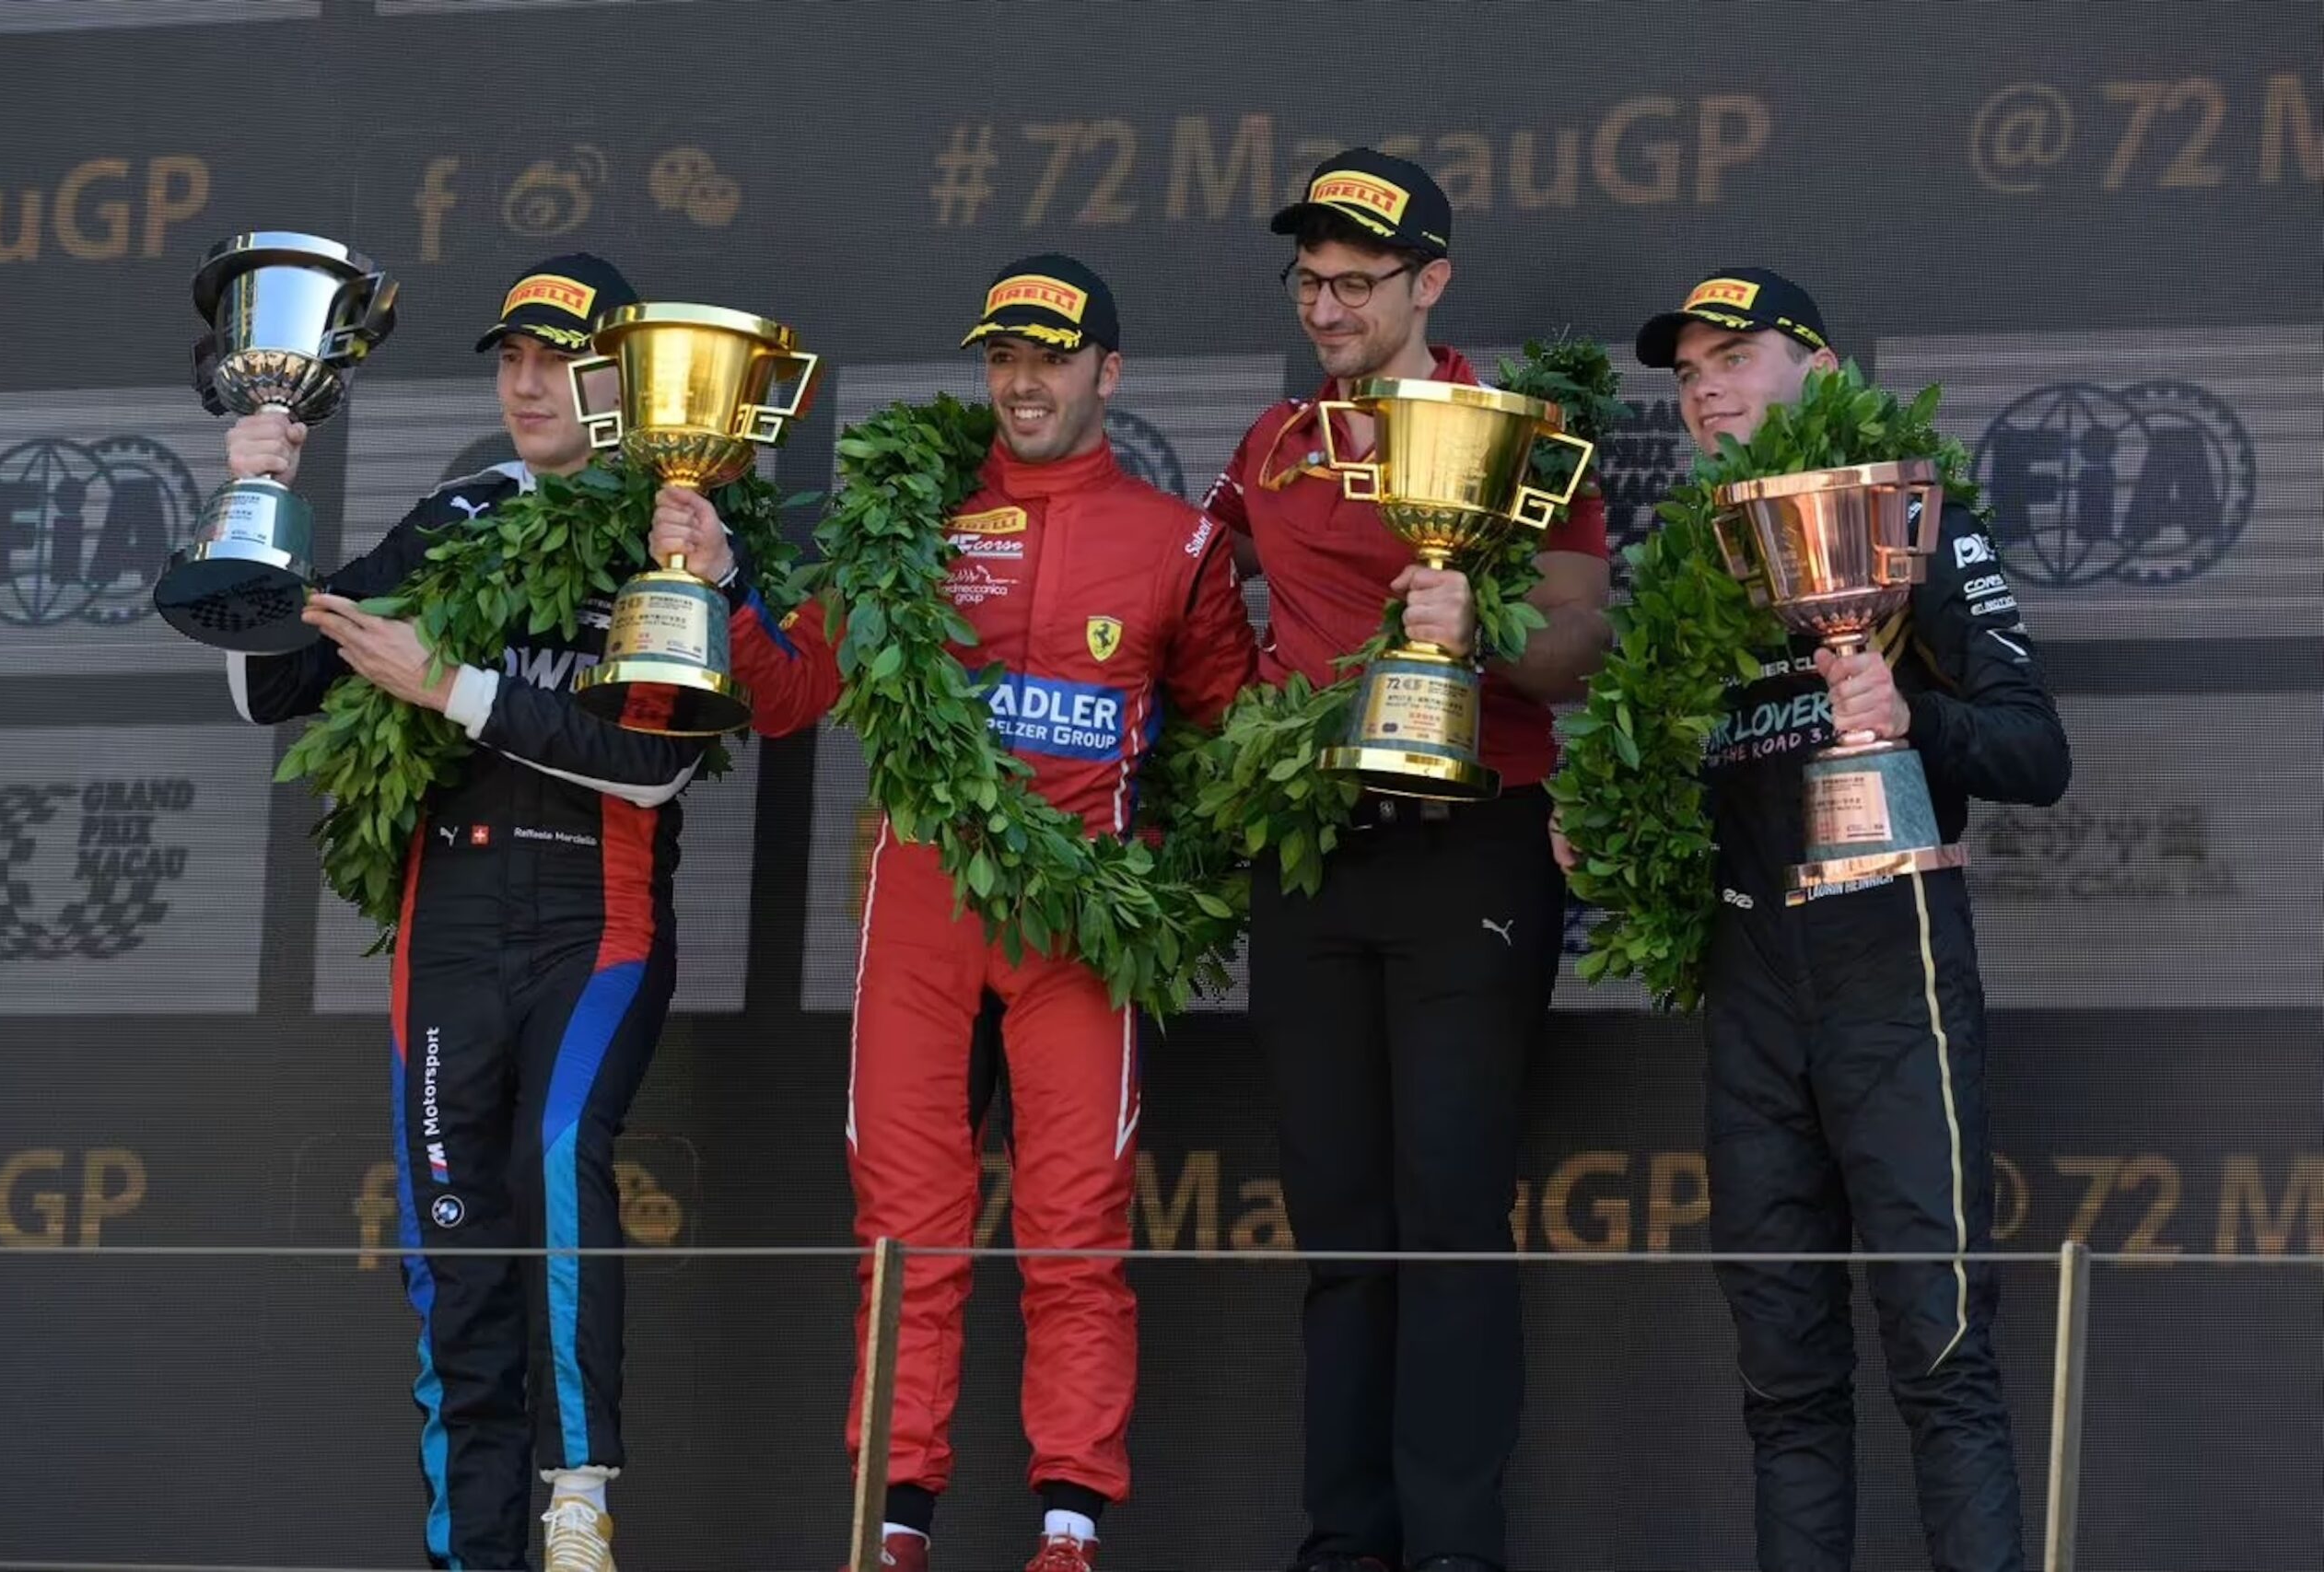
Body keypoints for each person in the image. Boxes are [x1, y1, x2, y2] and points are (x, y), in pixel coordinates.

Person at [651, 253, 1257, 1572]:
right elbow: (790, 690)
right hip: (925, 907)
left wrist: (1163, 883)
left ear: (1111, 370)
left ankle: (1067, 1532)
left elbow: (1230, 741)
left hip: (1081, 929)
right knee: (905, 1223)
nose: (1025, 381)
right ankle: (894, 1521)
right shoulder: (909, 524)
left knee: (1073, 1225)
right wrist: (711, 584)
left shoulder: (1178, 540)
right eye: (1004, 356)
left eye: (1052, 355)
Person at [226, 252, 712, 1572]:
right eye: (510, 355)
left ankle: (578, 1495)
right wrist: (257, 498)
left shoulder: (669, 527)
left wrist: (453, 687)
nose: (527, 380)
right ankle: (470, 1550)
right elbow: (278, 692)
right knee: (451, 1244)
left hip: (593, 913)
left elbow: (657, 762)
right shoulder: (459, 512)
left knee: (555, 1164)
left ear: (622, 376)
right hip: (450, 920)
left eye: (557, 357)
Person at [1596, 266, 2072, 1570]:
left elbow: (2038, 752)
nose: (1706, 393)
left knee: (1943, 1357)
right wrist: (1609, 824)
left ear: (1818, 366)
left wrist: (1915, 716)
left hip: (1891, 971)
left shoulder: (1918, 520)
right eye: (1688, 376)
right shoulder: (1689, 561)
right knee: (1784, 1385)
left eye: (1733, 360)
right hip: (1753, 985)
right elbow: (1678, 790)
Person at [1200, 149, 1614, 1572]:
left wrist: (1475, 624)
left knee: (1447, 1202)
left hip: (1474, 844)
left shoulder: (1517, 429)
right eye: (1309, 282)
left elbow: (1575, 645)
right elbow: (1183, 605)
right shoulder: (1268, 445)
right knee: (1338, 1211)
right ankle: (1347, 1538)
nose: (1327, 308)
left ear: (1430, 282)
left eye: (1357, 284)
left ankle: (1452, 1545)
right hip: (1311, 853)